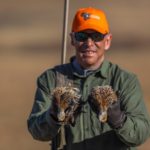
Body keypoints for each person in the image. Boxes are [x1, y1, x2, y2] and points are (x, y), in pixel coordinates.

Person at [27, 7, 150, 150]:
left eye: (96, 36)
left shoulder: (125, 81)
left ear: (107, 41)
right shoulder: (51, 79)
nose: (89, 43)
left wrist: (119, 120)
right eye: (82, 36)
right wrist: (53, 116)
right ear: (72, 39)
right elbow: (36, 130)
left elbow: (141, 135)